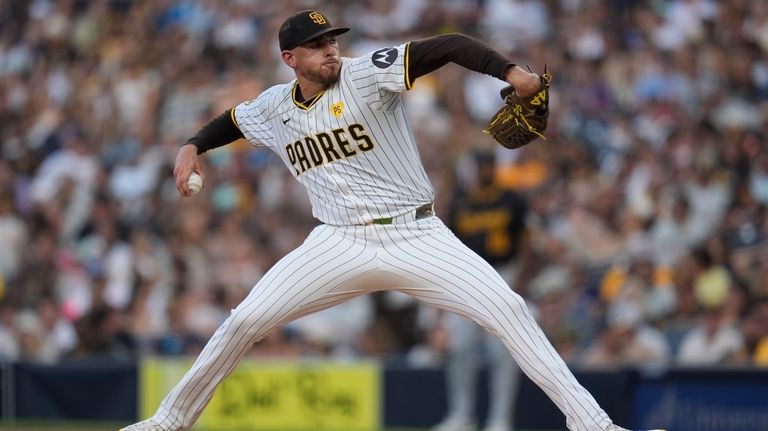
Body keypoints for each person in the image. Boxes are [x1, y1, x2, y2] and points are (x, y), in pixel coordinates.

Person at [122, 10, 664, 431]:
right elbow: (231, 122)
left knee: (509, 308)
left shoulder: (366, 75)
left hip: (416, 234)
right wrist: (191, 147)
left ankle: (593, 423)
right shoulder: (274, 106)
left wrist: (511, 71)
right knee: (242, 322)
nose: (329, 49)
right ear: (290, 58)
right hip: (336, 242)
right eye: (316, 45)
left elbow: (449, 46)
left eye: (332, 40)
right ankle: (169, 420)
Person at [432, 150, 526, 431]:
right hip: (468, 277)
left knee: (503, 350)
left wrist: (519, 280)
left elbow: (527, 242)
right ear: (474, 168)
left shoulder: (512, 199)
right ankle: (462, 415)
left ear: (495, 167)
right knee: (459, 347)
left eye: (489, 165)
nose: (485, 171)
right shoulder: (462, 200)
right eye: (481, 166)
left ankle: (500, 419)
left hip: (503, 273)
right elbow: (448, 243)